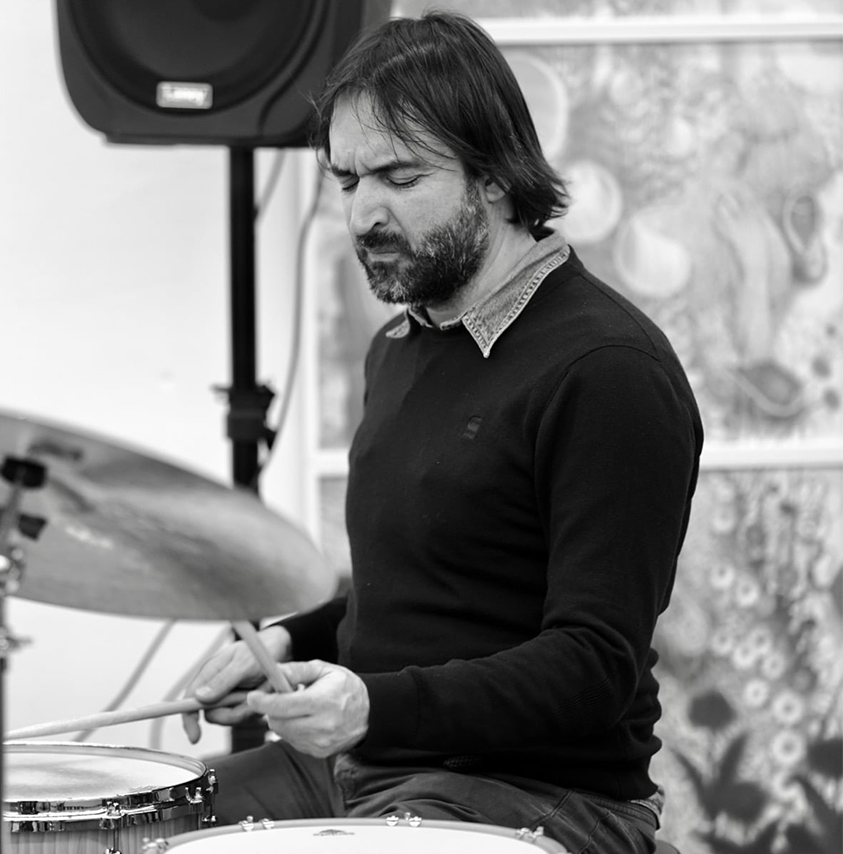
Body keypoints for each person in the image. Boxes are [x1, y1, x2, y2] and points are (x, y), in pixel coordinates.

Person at [181, 11, 703, 854]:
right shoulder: (402, 344)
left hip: (541, 793)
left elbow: (594, 664)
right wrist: (284, 642)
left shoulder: (609, 371)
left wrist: (372, 707)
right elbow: (430, 591)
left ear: (493, 177)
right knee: (146, 823)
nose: (364, 215)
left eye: (399, 177)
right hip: (370, 764)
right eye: (348, 181)